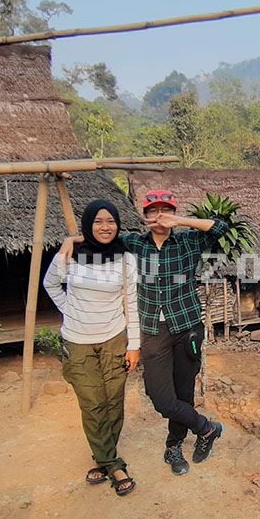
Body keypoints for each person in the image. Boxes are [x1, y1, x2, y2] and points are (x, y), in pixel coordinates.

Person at [62, 189, 228, 476]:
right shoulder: (133, 243)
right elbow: (100, 239)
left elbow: (222, 227)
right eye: (153, 211)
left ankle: (173, 445)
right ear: (145, 216)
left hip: (187, 327)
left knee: (183, 391)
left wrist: (181, 221)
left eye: (165, 210)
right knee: (160, 395)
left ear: (173, 212)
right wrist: (69, 240)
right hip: (152, 328)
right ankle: (206, 428)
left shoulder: (190, 240)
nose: (159, 215)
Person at [43, 200, 140, 496]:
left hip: (114, 338)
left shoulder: (126, 259)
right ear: (88, 224)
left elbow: (131, 303)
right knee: (93, 404)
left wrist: (134, 345)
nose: (105, 227)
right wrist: (69, 310)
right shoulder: (68, 256)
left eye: (111, 221)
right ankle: (114, 464)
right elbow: (51, 285)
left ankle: (101, 458)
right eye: (98, 221)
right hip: (78, 341)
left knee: (114, 403)